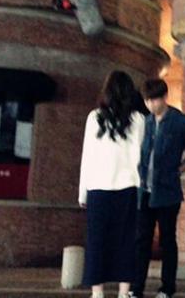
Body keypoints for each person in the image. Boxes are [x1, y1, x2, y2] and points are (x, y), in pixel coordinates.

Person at [131, 79, 185, 298]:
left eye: (154, 100)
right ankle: (136, 288)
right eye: (147, 101)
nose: (150, 105)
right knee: (141, 240)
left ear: (164, 97)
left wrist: (179, 170)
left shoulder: (181, 122)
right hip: (144, 190)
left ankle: (167, 288)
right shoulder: (145, 122)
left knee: (167, 240)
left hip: (168, 192)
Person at [78, 71, 146, 298]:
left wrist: (82, 193)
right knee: (126, 241)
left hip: (98, 187)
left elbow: (87, 157)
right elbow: (139, 156)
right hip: (127, 187)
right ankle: (123, 292)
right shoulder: (138, 120)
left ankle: (97, 292)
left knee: (96, 241)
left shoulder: (94, 118)